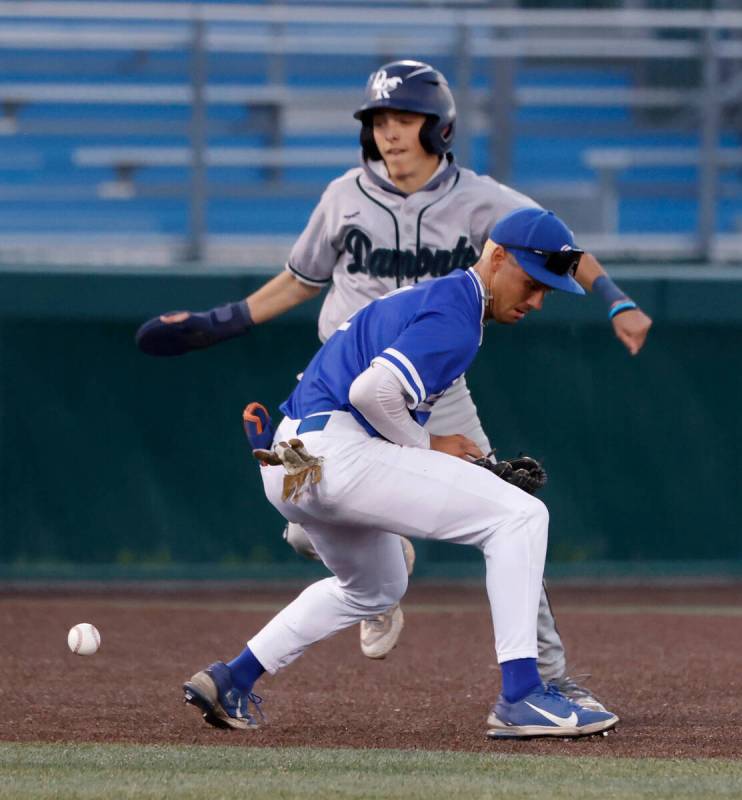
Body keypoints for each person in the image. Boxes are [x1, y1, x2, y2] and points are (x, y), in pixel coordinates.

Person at [137, 60, 652, 704]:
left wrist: (615, 298)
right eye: (380, 120)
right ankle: (517, 684)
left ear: (439, 129)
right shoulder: (348, 199)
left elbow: (557, 251)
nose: (390, 132)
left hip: (354, 410)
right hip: (355, 393)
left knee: (375, 543)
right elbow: (306, 285)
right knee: (514, 517)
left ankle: (244, 672)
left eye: (405, 119)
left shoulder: (483, 202)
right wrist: (225, 321)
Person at [182, 207, 620, 740]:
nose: (535, 301)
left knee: (374, 588)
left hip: (289, 461)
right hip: (335, 451)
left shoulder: (436, 298)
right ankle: (523, 695)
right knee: (520, 518)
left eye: (547, 292)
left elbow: (372, 402)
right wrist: (430, 445)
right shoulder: (458, 312)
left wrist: (449, 458)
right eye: (532, 283)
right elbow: (373, 392)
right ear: (497, 255)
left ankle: (233, 677)